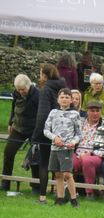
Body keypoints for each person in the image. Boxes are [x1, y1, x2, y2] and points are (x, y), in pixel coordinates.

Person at [32, 63, 66, 203]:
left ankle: (42, 197)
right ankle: (61, 196)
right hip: (63, 132)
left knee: (44, 164)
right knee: (60, 166)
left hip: (49, 133)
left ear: (44, 75)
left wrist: (36, 136)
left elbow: (42, 115)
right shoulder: (64, 87)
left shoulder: (46, 89)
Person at [1, 74, 40, 193]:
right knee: (8, 152)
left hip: (33, 129)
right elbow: (14, 107)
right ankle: (5, 183)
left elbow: (40, 113)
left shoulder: (37, 95)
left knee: (35, 156)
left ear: (29, 86)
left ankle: (36, 186)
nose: (20, 92)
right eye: (18, 89)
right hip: (18, 128)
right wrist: (10, 123)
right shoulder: (16, 93)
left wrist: (38, 132)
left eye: (23, 89)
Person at [44, 88, 81, 206]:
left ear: (71, 100)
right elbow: (45, 130)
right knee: (58, 174)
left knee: (67, 174)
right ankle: (59, 198)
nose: (64, 99)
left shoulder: (75, 114)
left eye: (67, 97)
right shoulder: (53, 113)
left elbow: (79, 134)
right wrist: (54, 138)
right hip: (55, 148)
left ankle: (74, 199)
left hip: (67, 149)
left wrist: (73, 142)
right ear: (58, 100)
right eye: (62, 97)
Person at [72, 101, 104, 198]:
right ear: (87, 111)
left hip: (95, 155)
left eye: (97, 111)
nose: (95, 113)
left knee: (87, 161)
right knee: (66, 158)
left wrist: (90, 152)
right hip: (77, 153)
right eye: (92, 111)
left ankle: (89, 193)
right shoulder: (80, 123)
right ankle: (68, 191)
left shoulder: (103, 127)